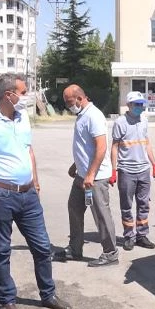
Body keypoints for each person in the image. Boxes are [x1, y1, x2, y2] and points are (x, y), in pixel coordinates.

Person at [0, 73, 72, 309]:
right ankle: (7, 300)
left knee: (42, 247)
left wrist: (34, 179)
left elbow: (28, 149)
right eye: (23, 92)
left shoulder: (22, 117)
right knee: (2, 250)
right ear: (8, 95)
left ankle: (48, 294)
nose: (26, 97)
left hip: (28, 195)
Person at [59, 84, 119, 267]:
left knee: (101, 214)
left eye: (69, 102)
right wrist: (75, 165)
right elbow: (86, 147)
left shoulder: (94, 116)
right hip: (82, 175)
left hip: (95, 178)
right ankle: (75, 249)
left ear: (79, 98)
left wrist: (91, 174)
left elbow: (101, 148)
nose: (68, 106)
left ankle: (111, 253)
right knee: (74, 209)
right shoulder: (82, 115)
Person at [109, 91, 155, 250]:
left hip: (143, 170)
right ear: (129, 105)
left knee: (144, 204)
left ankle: (142, 235)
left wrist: (154, 165)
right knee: (126, 205)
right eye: (137, 104)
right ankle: (129, 236)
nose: (140, 107)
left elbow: (147, 144)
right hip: (126, 171)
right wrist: (113, 170)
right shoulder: (120, 122)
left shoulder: (144, 121)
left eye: (142, 104)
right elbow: (114, 147)